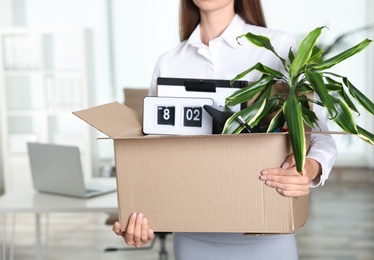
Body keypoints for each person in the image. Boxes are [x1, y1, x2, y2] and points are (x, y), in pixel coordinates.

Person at [113, 0, 337, 259]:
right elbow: (153, 154)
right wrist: (137, 214)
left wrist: (307, 169)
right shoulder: (169, 62)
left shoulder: (278, 48)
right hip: (192, 234)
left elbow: (320, 133)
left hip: (265, 230)